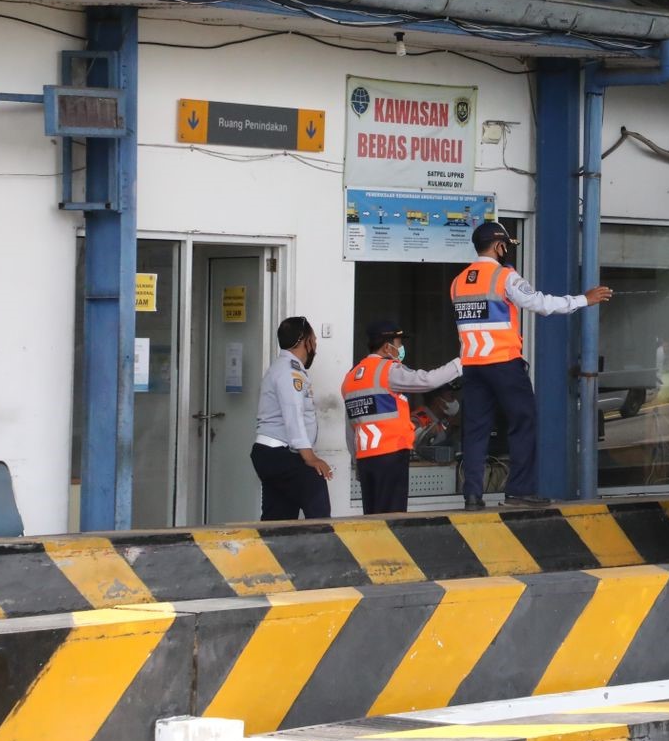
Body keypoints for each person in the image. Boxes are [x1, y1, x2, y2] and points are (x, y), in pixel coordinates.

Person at [451, 221, 612, 509]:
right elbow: (540, 304)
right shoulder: (504, 276)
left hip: (473, 366)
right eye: (505, 246)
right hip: (503, 363)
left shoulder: (458, 281)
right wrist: (583, 300)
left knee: (475, 431)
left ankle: (472, 496)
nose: (507, 251)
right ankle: (519, 491)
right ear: (498, 246)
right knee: (524, 423)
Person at [342, 320, 463, 515]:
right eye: (398, 343)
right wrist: (460, 363)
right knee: (392, 519)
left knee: (372, 519)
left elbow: (351, 427)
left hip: (365, 461)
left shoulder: (350, 378)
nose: (401, 348)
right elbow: (427, 381)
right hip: (390, 455)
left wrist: (356, 462)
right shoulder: (388, 370)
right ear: (387, 346)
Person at [251, 316, 332, 520]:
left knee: (279, 517)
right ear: (304, 340)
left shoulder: (283, 368)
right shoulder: (289, 372)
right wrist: (310, 457)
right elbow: (293, 414)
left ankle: (274, 541)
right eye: (314, 340)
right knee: (315, 486)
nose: (315, 346)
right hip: (278, 453)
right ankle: (324, 540)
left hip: (272, 453)